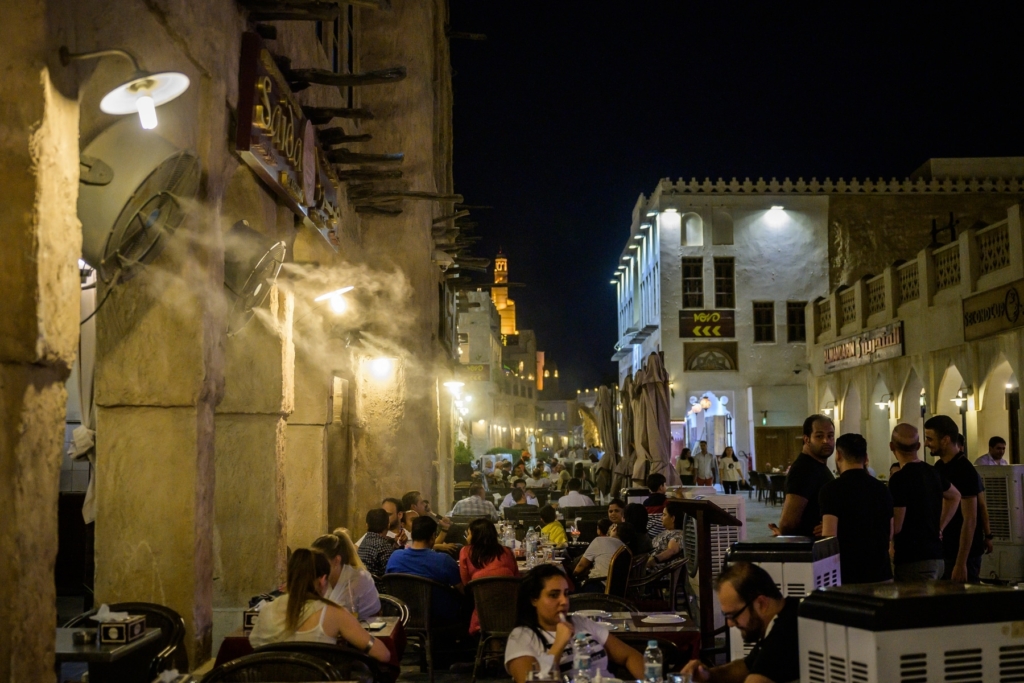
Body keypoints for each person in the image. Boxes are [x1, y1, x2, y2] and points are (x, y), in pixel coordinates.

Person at [504, 564, 645, 683]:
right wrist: (559, 644)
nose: (564, 601)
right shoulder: (522, 637)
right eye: (554, 595)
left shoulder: (581, 622)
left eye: (565, 593)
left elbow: (629, 656)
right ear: (534, 599)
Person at [248, 548, 392, 663]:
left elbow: (254, 647)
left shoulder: (266, 610)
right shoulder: (333, 613)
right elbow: (383, 655)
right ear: (323, 580)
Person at [680, 562, 799, 683]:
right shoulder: (786, 612)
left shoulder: (787, 631)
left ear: (761, 604)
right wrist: (708, 675)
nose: (730, 623)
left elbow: (755, 679)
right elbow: (747, 667)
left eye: (733, 615)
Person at [888, 423, 961, 581]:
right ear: (919, 446)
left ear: (891, 446)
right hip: (936, 556)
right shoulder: (932, 471)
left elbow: (897, 526)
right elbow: (955, 496)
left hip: (913, 559)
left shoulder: (899, 479)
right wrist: (940, 527)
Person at [818, 433, 894, 584]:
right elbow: (890, 531)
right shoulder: (882, 489)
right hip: (881, 573)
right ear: (865, 457)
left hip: (848, 576)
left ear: (838, 455)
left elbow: (829, 538)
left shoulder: (831, 490)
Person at [926, 415, 985, 582]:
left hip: (963, 554)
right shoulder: (939, 467)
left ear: (945, 440)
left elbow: (970, 519)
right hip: (946, 549)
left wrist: (961, 563)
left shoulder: (965, 470)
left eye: (930, 439)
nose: (926, 443)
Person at [770, 414, 835, 537]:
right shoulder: (804, 469)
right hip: (810, 550)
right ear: (807, 439)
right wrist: (784, 535)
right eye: (819, 436)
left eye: (830, 436)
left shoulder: (816, 466)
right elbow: (788, 523)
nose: (826, 441)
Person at [459, 518, 520, 634]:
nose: (467, 538)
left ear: (475, 536)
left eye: (469, 534)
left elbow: (466, 583)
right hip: (510, 608)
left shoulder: (465, 552)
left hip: (482, 609)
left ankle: (489, 647)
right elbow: (516, 579)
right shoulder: (506, 551)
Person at [312, 532, 381, 619]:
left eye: (321, 562)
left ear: (337, 561)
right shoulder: (327, 579)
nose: (316, 567)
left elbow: (332, 618)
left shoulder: (356, 580)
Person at [573, 519, 627, 591]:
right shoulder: (624, 547)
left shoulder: (600, 540)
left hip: (598, 586)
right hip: (617, 589)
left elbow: (581, 565)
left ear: (614, 529)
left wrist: (572, 577)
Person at [357, 508, 397, 577]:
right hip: (377, 586)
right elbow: (391, 575)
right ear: (388, 525)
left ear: (367, 525)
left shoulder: (363, 542)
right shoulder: (384, 546)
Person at [643, 473, 668, 537]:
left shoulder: (645, 502)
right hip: (662, 533)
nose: (666, 487)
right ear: (661, 487)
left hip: (649, 533)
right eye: (665, 485)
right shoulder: (666, 501)